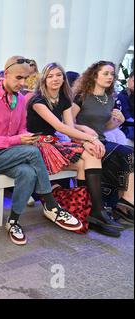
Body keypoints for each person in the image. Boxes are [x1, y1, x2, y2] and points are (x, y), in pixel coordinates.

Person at [0, 56, 82, 245]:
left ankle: (13, 221)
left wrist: (29, 137)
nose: (22, 83)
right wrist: (18, 140)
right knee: (32, 153)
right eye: (19, 78)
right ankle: (50, 203)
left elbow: (22, 129)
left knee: (28, 173)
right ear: (6, 74)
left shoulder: (21, 99)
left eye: (26, 78)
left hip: (9, 154)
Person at [26, 62, 124, 237]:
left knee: (92, 155)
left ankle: (94, 211)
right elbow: (60, 127)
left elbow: (70, 128)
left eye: (58, 75)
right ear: (44, 80)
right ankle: (92, 212)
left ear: (64, 78)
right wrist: (91, 138)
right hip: (37, 146)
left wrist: (84, 142)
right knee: (89, 153)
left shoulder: (63, 100)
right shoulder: (38, 101)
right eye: (50, 76)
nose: (55, 79)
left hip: (56, 143)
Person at [71, 61, 134, 226]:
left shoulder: (109, 99)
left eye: (112, 74)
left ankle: (125, 201)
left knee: (130, 153)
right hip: (80, 142)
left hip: (101, 141)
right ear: (94, 75)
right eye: (105, 73)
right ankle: (124, 204)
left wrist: (117, 122)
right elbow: (67, 123)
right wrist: (83, 129)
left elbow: (103, 128)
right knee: (129, 154)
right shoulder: (81, 96)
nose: (110, 77)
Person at [116, 71, 134, 142]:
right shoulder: (122, 96)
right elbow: (128, 119)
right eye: (133, 81)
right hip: (126, 127)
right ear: (129, 80)